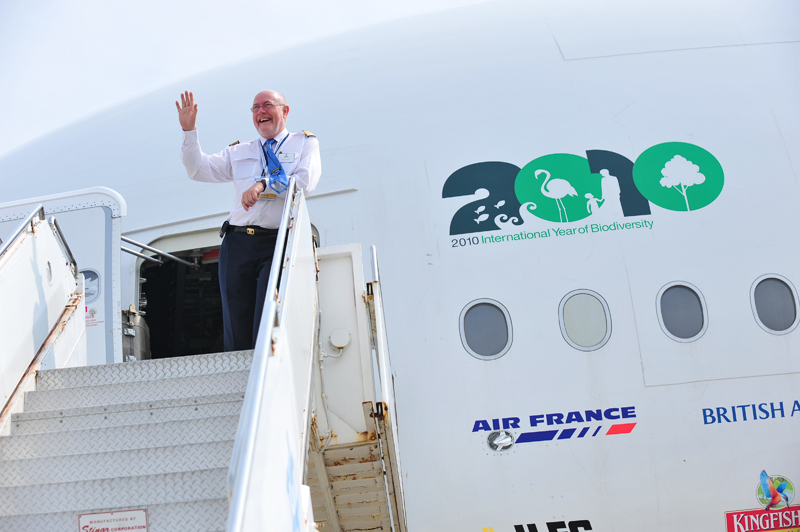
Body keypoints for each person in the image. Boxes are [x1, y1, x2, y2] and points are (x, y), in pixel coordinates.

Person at [176, 90, 321, 351]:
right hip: (238, 242)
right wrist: (189, 132)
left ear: (285, 111)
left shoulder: (304, 144)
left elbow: (304, 183)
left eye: (267, 105)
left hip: (275, 242)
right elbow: (197, 170)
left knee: (268, 319)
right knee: (236, 324)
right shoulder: (240, 151)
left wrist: (262, 185)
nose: (260, 112)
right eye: (255, 108)